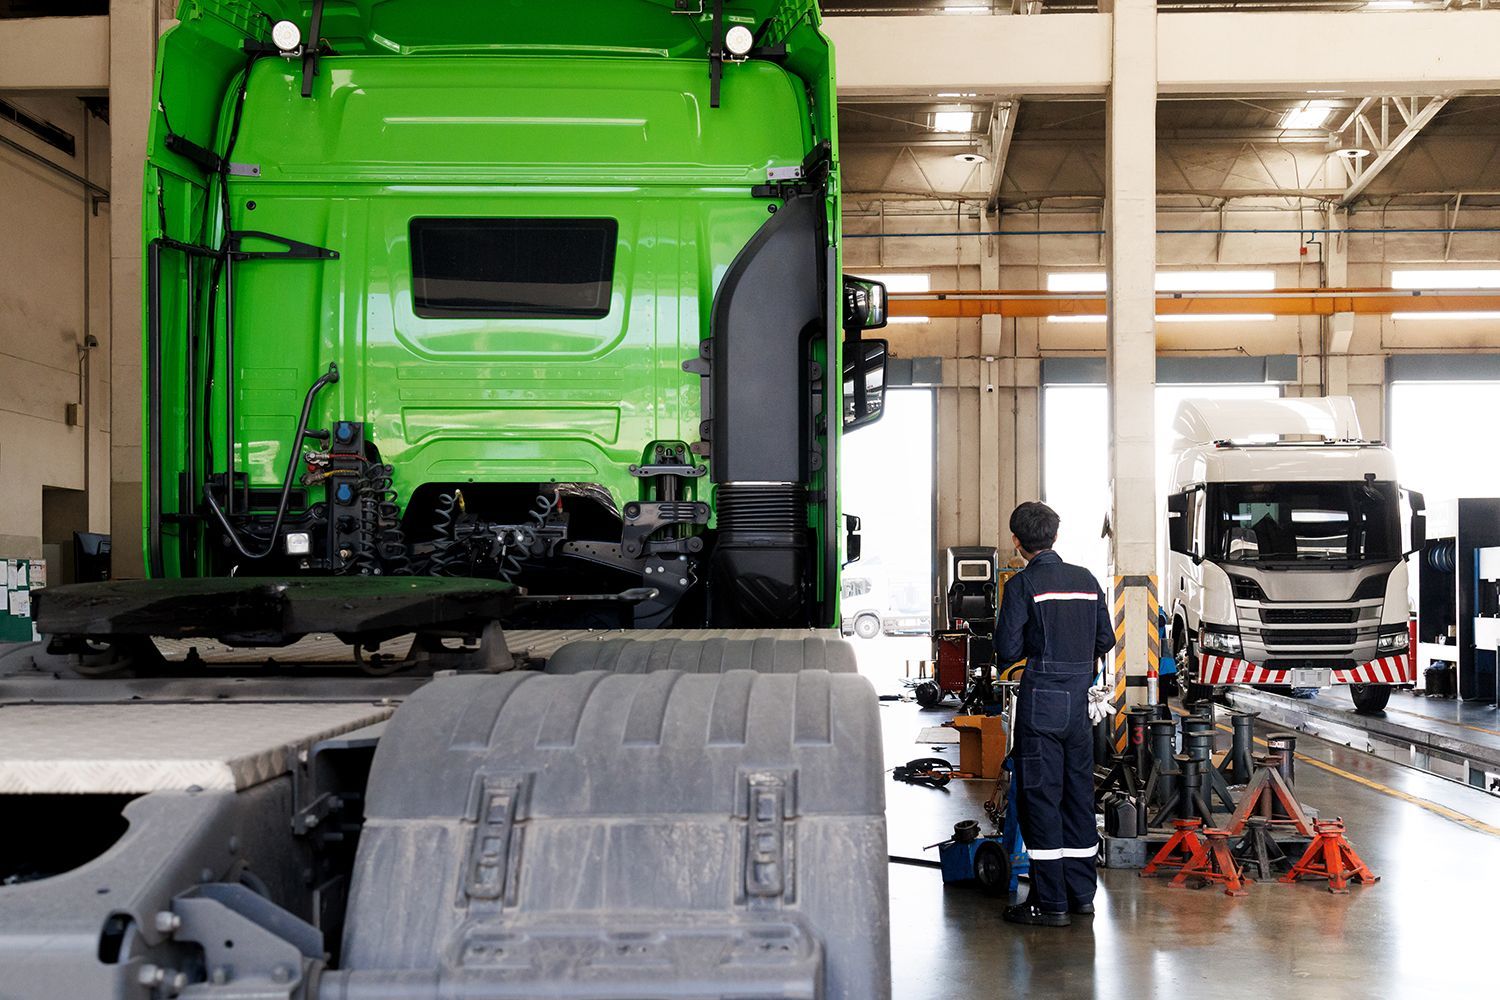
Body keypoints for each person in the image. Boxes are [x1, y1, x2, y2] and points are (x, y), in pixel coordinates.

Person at [996, 501, 1115, 927]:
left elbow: (1007, 650)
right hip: (1082, 704)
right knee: (1078, 795)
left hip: (1042, 702)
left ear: (1017, 541)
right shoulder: (1085, 580)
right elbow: (1105, 637)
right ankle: (1081, 895)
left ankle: (1050, 904)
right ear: (1055, 536)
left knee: (1041, 798)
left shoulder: (1022, 585)